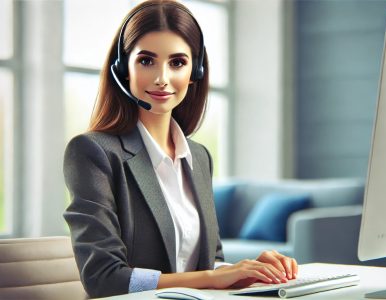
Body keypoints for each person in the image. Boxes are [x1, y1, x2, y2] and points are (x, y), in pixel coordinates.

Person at [63, 0, 298, 298]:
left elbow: (209, 262)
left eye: (177, 63)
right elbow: (104, 279)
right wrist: (213, 278)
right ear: (123, 68)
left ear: (195, 71)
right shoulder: (92, 152)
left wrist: (249, 270)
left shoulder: (198, 156)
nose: (162, 78)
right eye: (147, 61)